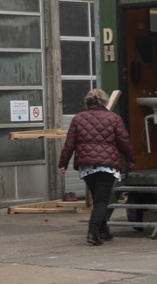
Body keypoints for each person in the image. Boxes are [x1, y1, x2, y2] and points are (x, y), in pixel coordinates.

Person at [58, 88, 136, 246]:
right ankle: (93, 232)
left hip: (86, 167)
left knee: (98, 199)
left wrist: (63, 163)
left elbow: (69, 144)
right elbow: (124, 141)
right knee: (101, 201)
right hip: (107, 166)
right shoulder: (114, 118)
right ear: (105, 101)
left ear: (88, 102)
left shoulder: (78, 119)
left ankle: (104, 231)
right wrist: (131, 158)